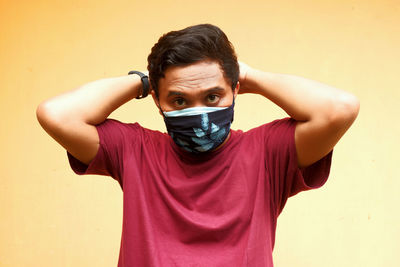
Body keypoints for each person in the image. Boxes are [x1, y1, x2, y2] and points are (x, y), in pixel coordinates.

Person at [36, 24, 360, 267]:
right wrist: (143, 79)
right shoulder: (134, 150)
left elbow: (340, 108)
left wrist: (250, 75)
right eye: (179, 100)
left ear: (235, 91)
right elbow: (56, 115)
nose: (199, 111)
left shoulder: (268, 152)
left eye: (212, 96)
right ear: (157, 101)